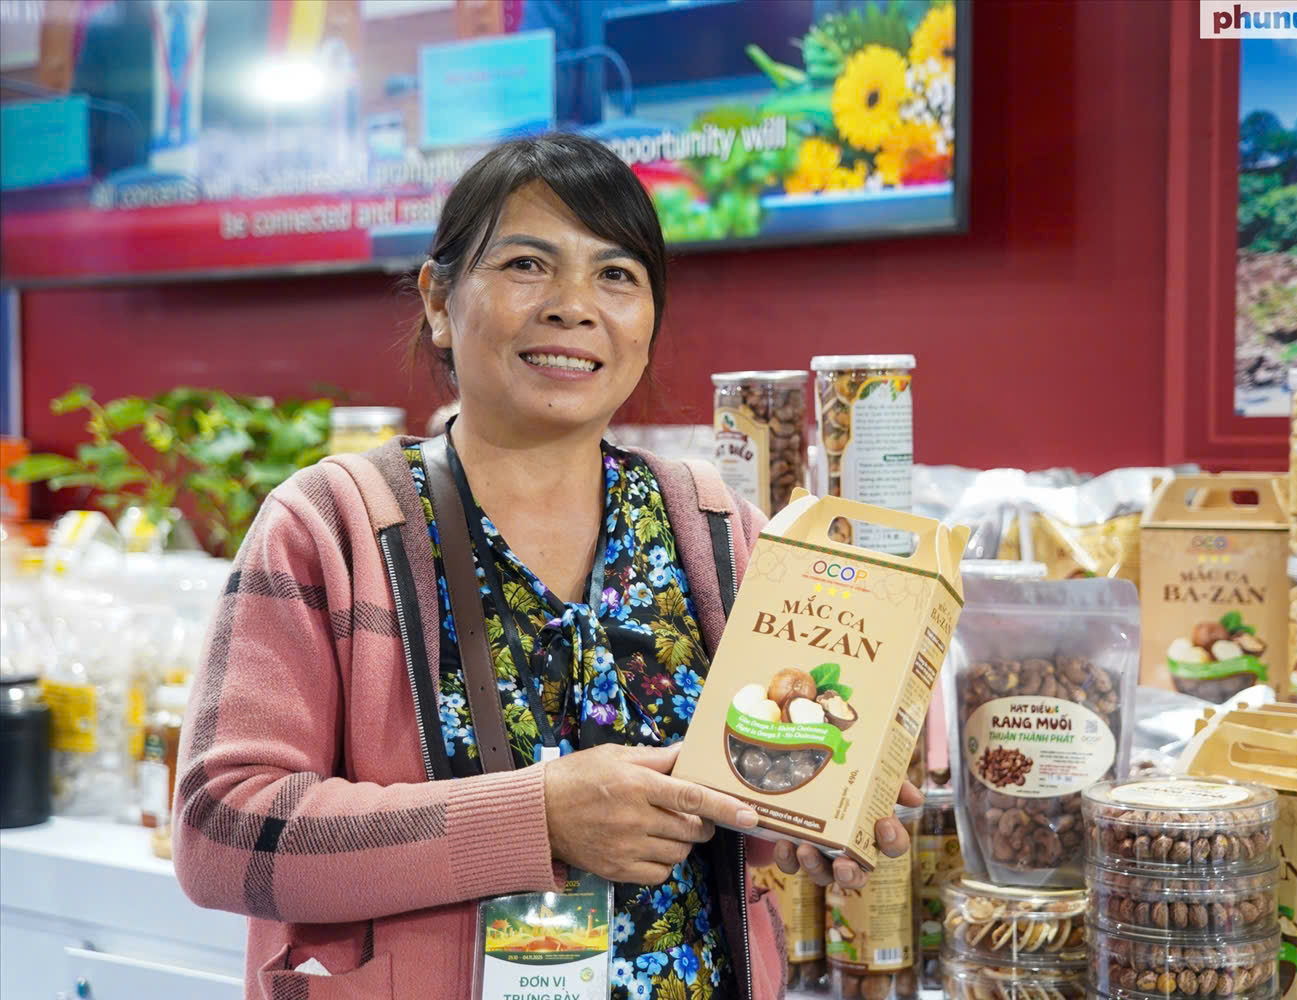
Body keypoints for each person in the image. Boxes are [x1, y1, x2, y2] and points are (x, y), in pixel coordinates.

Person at [172, 132, 920, 1000]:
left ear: (649, 323)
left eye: (616, 275)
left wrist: (810, 815)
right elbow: (220, 832)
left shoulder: (715, 527)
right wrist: (536, 818)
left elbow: (737, 790)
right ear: (440, 300)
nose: (573, 306)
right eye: (527, 264)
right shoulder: (334, 525)